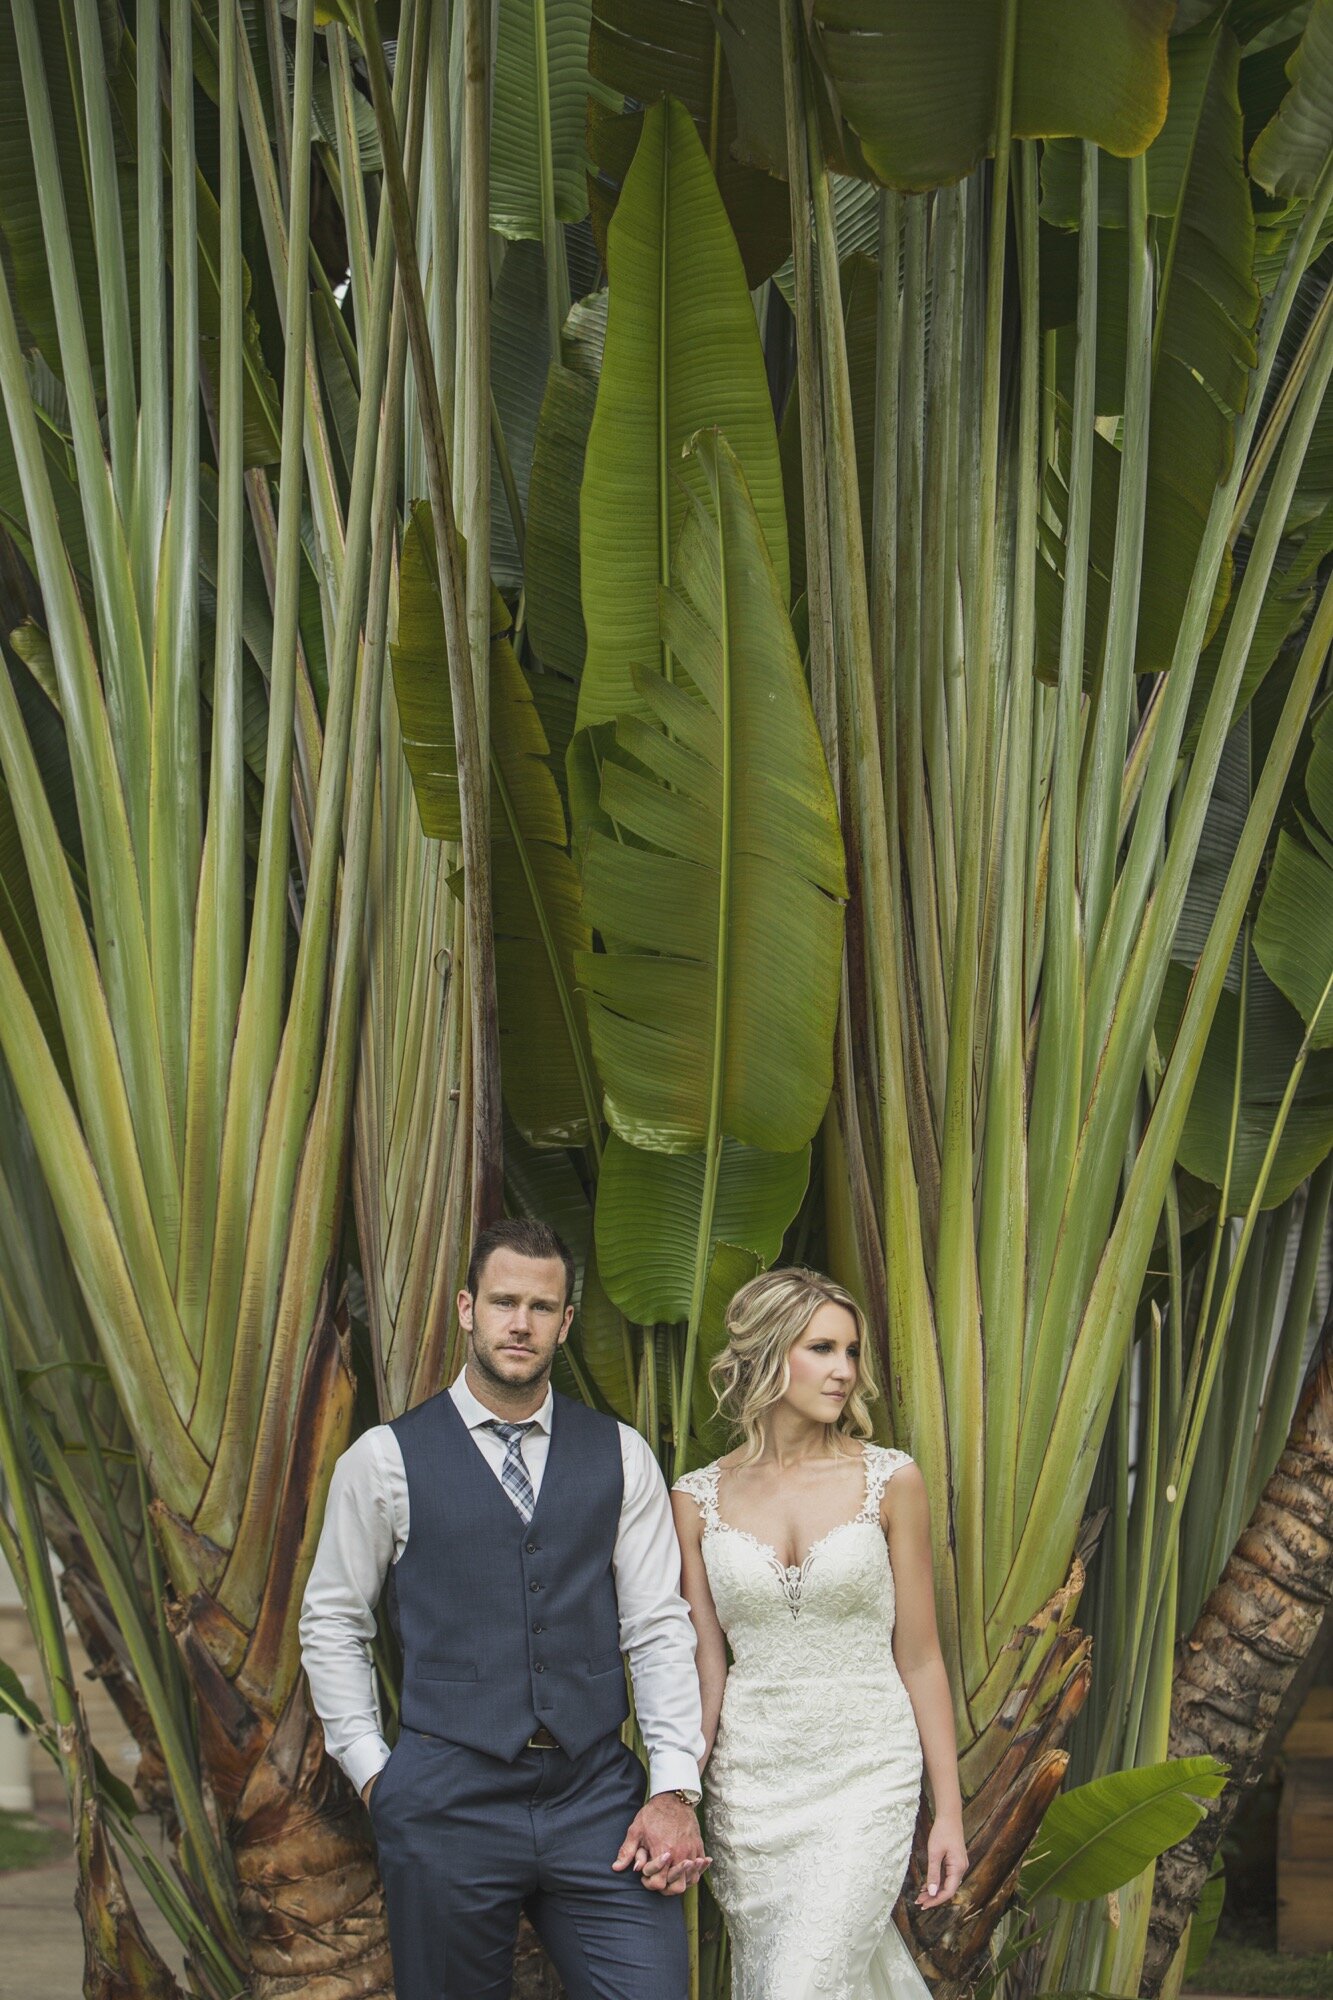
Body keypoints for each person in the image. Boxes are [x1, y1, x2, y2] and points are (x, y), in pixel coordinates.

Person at [300, 1217, 709, 1999]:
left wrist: (670, 1787)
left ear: (563, 1321)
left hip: (598, 1798)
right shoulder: (384, 1460)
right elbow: (332, 1621)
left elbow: (657, 1626)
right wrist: (374, 1777)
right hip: (445, 1799)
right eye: (502, 1302)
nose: (519, 1323)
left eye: (541, 1307)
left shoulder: (619, 1454)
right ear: (466, 1308)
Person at [671, 1266, 968, 2000]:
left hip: (866, 1773)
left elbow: (921, 1658)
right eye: (822, 1349)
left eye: (851, 1351)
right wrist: (680, 1791)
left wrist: (949, 1815)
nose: (844, 1372)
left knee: (800, 1985)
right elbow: (707, 1667)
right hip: (752, 1786)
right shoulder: (695, 1499)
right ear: (769, 1355)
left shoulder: (891, 1480)